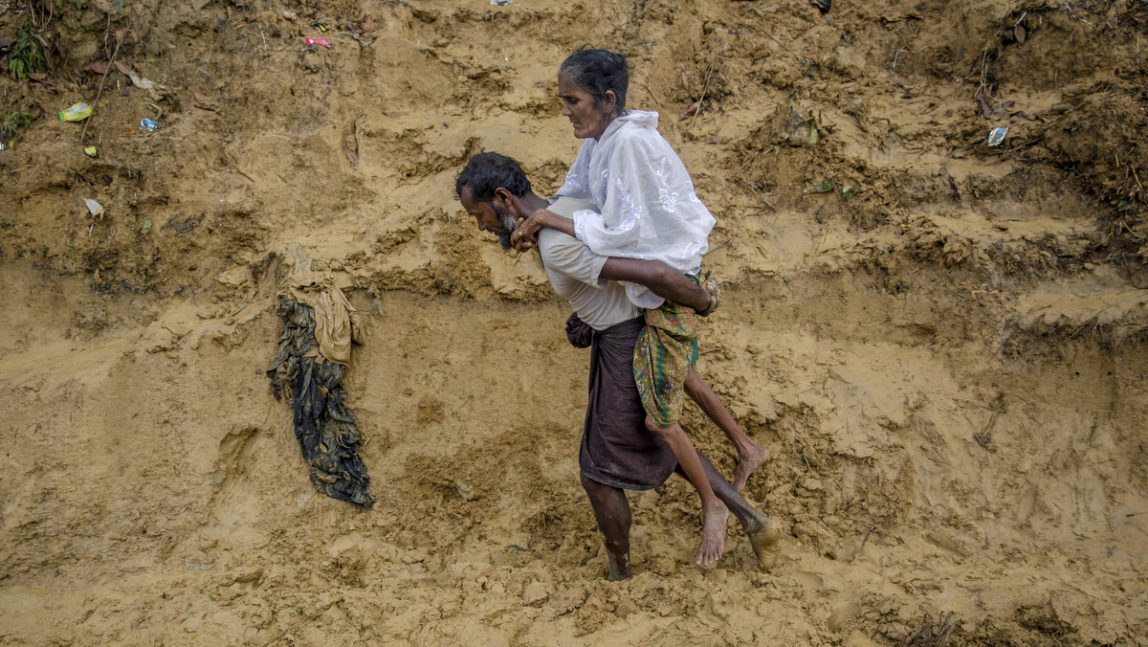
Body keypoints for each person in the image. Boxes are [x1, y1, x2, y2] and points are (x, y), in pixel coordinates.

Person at [455, 151, 781, 579]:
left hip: (625, 341)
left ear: (502, 198)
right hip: (624, 331)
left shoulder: (555, 244)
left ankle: (621, 574)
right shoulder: (567, 208)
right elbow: (608, 273)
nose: (481, 227)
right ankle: (754, 521)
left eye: (480, 215)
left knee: (597, 473)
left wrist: (700, 299)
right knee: (660, 436)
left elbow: (643, 271)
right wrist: (586, 314)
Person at [511, 48, 762, 565]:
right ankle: (744, 449)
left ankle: (715, 504)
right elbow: (573, 194)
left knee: (659, 416)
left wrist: (550, 223)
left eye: (572, 100)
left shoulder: (626, 143)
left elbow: (622, 234)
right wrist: (541, 217)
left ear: (606, 99)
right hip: (656, 285)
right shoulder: (601, 141)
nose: (566, 111)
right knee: (676, 373)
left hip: (668, 278)